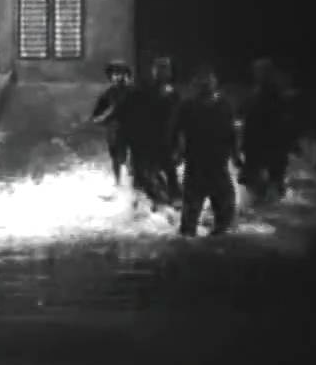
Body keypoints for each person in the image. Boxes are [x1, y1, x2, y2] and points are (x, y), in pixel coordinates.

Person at [168, 65, 241, 237]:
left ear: (215, 83)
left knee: (225, 216)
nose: (205, 85)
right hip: (196, 166)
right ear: (195, 85)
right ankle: (192, 243)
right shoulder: (187, 106)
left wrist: (236, 155)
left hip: (218, 166)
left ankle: (216, 242)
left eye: (208, 81)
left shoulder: (224, 105)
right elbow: (174, 132)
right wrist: (175, 153)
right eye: (201, 82)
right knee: (189, 220)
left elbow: (232, 133)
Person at [239, 58, 296, 200]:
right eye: (257, 71)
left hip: (267, 142)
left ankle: (269, 200)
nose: (256, 74)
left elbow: (277, 118)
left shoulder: (271, 93)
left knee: (269, 179)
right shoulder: (260, 92)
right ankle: (267, 199)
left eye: (260, 71)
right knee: (263, 179)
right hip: (263, 143)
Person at [132, 56, 183, 204]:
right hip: (149, 140)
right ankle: (152, 200)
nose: (163, 72)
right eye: (160, 68)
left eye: (166, 68)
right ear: (154, 71)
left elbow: (179, 118)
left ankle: (173, 200)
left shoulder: (173, 93)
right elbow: (138, 116)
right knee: (148, 174)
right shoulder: (145, 91)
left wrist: (179, 143)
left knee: (170, 172)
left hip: (167, 140)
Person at [91, 59, 135, 187]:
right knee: (116, 158)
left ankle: (135, 182)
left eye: (122, 73)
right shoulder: (108, 94)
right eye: (115, 74)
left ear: (127, 75)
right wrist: (105, 118)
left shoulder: (135, 92)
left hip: (134, 130)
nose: (119, 77)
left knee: (133, 158)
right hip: (115, 131)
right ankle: (118, 183)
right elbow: (96, 116)